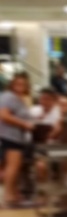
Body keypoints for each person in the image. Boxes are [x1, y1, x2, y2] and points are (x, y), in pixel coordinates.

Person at [0, 73, 36, 208]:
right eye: (18, 83)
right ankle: (8, 196)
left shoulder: (20, 99)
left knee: (15, 166)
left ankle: (14, 195)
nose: (21, 86)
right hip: (10, 136)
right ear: (12, 84)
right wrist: (24, 124)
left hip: (17, 137)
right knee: (13, 166)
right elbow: (4, 115)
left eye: (24, 84)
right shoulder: (8, 97)